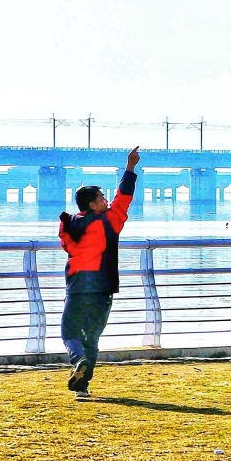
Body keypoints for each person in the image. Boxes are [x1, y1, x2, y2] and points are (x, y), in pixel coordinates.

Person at [58, 146, 140, 400]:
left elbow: (67, 247)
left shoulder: (68, 223)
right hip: (102, 288)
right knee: (92, 337)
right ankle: (82, 385)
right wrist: (130, 167)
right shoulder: (110, 221)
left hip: (77, 285)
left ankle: (78, 362)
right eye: (103, 199)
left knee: (70, 332)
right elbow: (124, 197)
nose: (107, 201)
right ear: (93, 204)